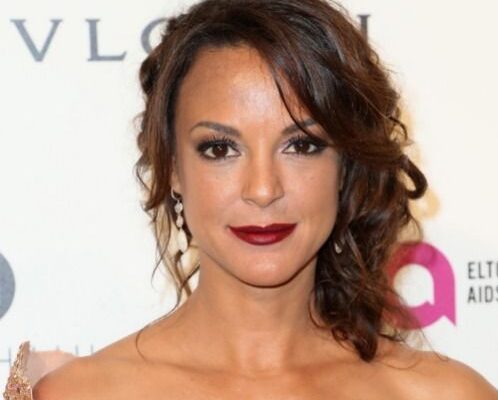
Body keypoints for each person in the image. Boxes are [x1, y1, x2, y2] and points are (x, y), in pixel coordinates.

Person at [4, 0, 497, 399]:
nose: (263, 189)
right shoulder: (74, 394)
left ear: (345, 166)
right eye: (220, 149)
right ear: (173, 169)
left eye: (301, 145)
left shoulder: (447, 394)